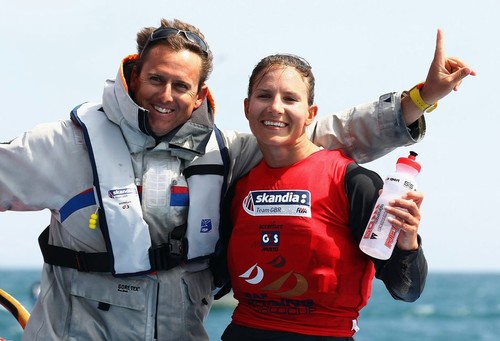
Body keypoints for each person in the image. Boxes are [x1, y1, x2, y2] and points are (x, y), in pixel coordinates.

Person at [0, 15, 473, 340]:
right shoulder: (65, 145)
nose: (166, 95)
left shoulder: (225, 151)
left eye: (180, 85)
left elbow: (322, 135)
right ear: (132, 75)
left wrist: (422, 96)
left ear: (199, 92)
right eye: (155, 79)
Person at [218, 54, 427, 341]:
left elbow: (406, 289)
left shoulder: (355, 182)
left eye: (290, 99)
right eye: (264, 95)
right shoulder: (236, 183)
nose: (275, 107)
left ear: (311, 113)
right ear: (247, 107)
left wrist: (408, 242)